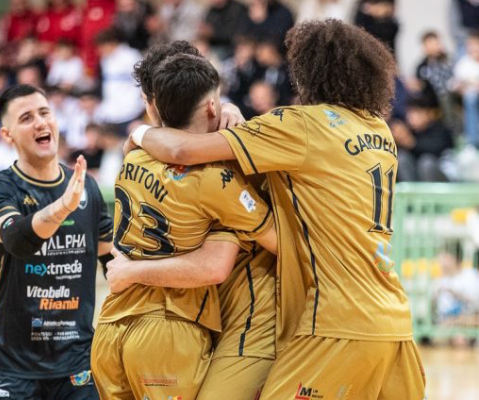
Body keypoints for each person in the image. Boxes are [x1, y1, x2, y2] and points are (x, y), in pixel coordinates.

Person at [126, 19, 425, 399]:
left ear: (307, 72)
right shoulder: (378, 130)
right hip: (393, 315)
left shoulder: (299, 125)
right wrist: (231, 114)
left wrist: (138, 132)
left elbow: (182, 150)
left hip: (335, 318)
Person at [91, 53, 277, 400]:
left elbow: (157, 142)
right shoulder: (218, 179)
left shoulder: (133, 156)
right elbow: (269, 245)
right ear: (211, 106)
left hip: (110, 325)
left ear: (154, 106)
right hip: (167, 329)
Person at [0, 84, 113, 400]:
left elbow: (114, 261)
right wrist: (63, 207)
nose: (40, 122)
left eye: (44, 112)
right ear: (7, 135)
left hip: (76, 365)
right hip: (9, 370)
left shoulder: (86, 188)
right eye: (26, 118)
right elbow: (16, 239)